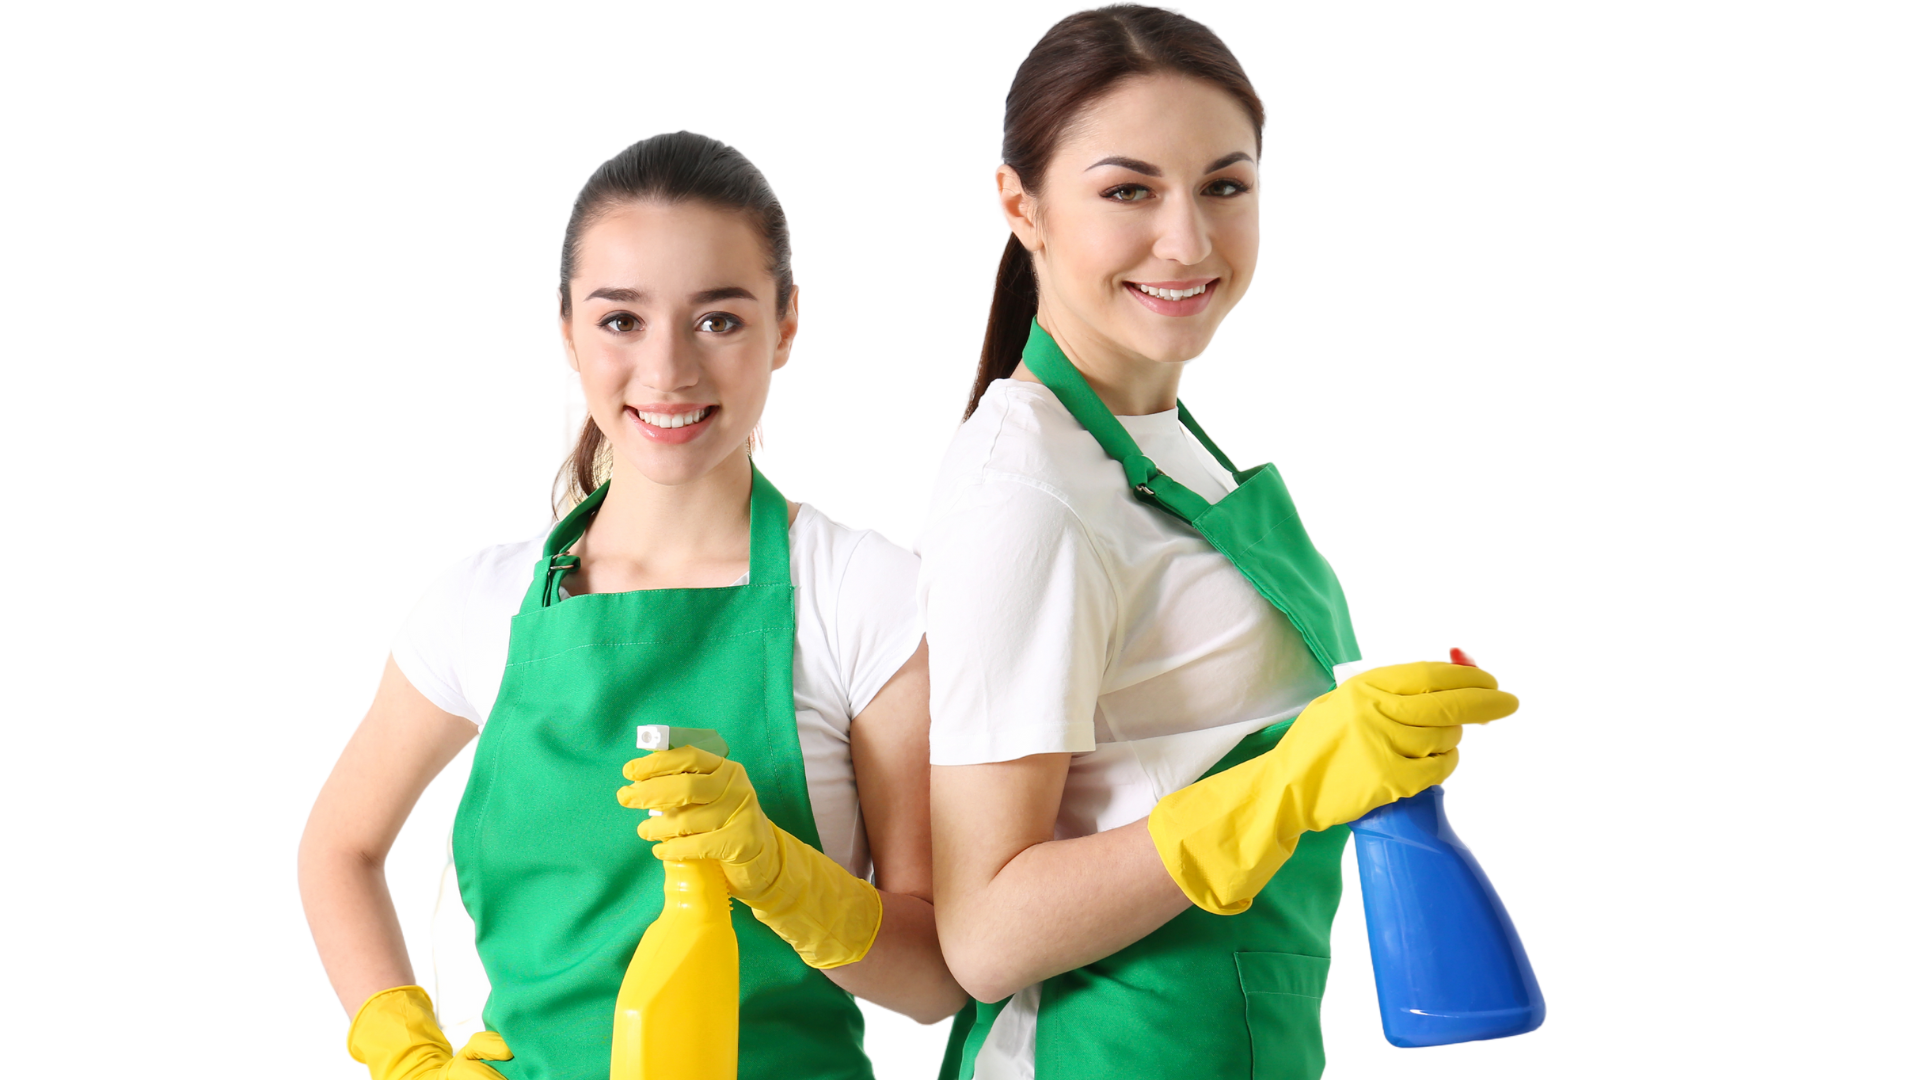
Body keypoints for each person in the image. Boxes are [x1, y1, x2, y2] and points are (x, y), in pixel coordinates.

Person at [913, 6, 1525, 1079]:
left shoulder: (1173, 441)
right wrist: (1288, 781)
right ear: (1021, 205)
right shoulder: (1025, 490)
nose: (1188, 242)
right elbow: (984, 936)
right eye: (1128, 190)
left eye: (1224, 186)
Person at [297, 129, 968, 1080]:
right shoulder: (476, 603)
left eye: (718, 320)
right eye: (621, 321)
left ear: (787, 325)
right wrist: (407, 1051)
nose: (668, 372)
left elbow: (936, 981)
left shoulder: (864, 595)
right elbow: (339, 846)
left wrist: (783, 876)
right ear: (565, 330)